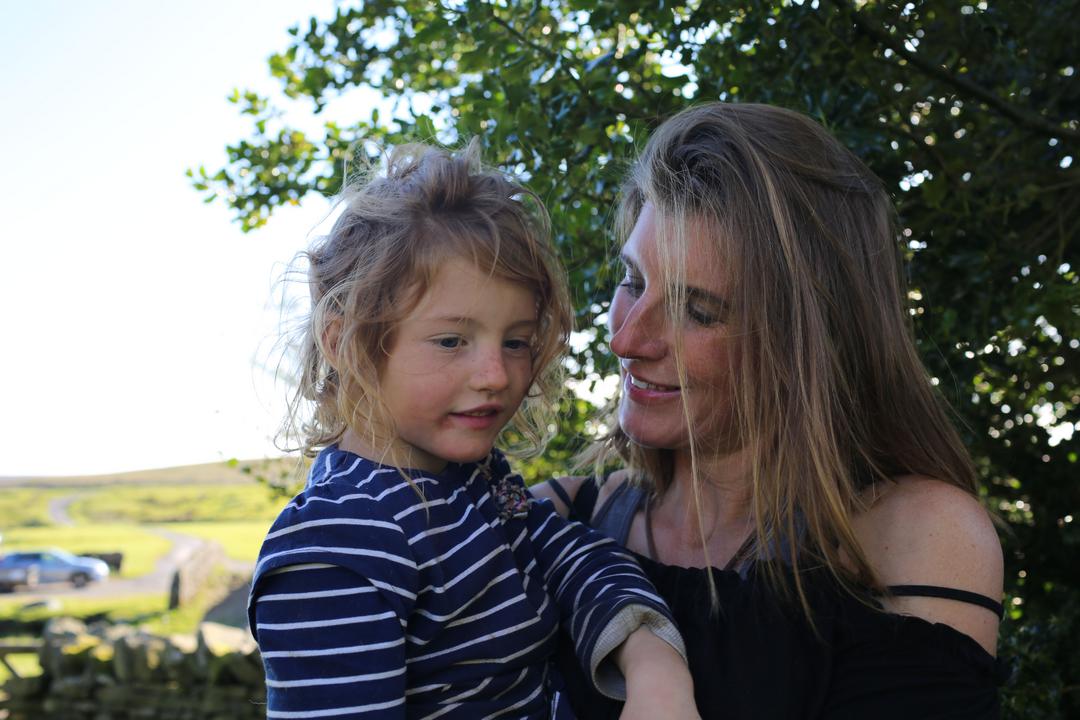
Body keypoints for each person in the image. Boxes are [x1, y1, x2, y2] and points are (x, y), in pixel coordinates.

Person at [533, 102, 1006, 718]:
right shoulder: (554, 519)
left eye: (698, 311)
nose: (625, 340)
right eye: (633, 281)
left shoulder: (915, 538)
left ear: (808, 344)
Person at [248, 141, 699, 719]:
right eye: (451, 341)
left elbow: (572, 555)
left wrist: (654, 663)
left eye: (516, 342)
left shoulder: (474, 484)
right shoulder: (337, 547)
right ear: (345, 343)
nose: (496, 375)